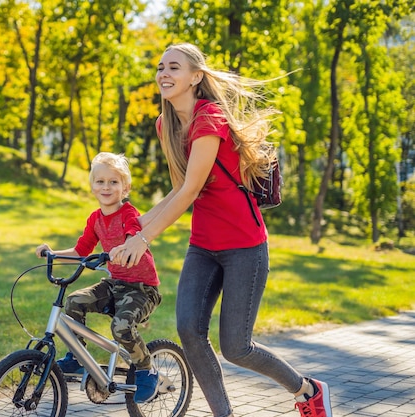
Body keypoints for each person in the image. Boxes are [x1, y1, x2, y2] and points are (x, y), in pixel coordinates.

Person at [109, 43, 332, 417]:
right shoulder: (166, 124)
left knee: (236, 347)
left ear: (196, 77)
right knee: (190, 332)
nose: (163, 73)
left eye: (174, 67)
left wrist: (142, 238)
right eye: (160, 67)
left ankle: (307, 390)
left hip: (245, 246)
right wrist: (128, 230)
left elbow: (192, 189)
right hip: (204, 247)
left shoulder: (209, 118)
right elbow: (178, 189)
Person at [35, 152, 162, 404]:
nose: (106, 187)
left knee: (121, 327)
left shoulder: (128, 212)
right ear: (92, 185)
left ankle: (147, 368)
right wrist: (52, 253)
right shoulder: (95, 218)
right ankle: (77, 358)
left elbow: (133, 233)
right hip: (115, 284)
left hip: (141, 289)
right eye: (100, 181)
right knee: (73, 302)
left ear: (125, 187)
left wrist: (124, 247)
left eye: (113, 182)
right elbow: (81, 250)